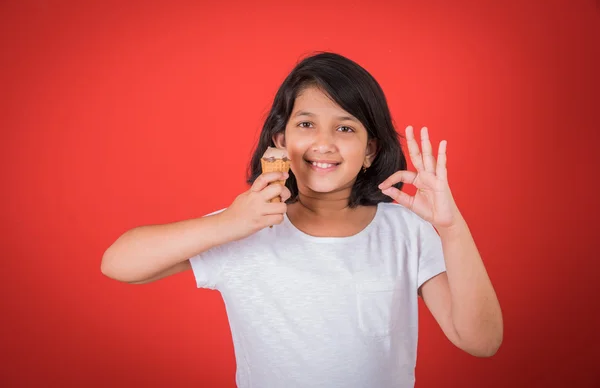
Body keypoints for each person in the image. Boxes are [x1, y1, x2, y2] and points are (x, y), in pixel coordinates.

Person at [101, 52, 503, 388]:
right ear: (280, 140)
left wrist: (450, 228)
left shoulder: (405, 231)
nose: (323, 143)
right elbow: (118, 263)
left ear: (369, 150)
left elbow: (481, 340)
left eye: (345, 127)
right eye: (306, 124)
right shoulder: (246, 224)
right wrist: (228, 224)